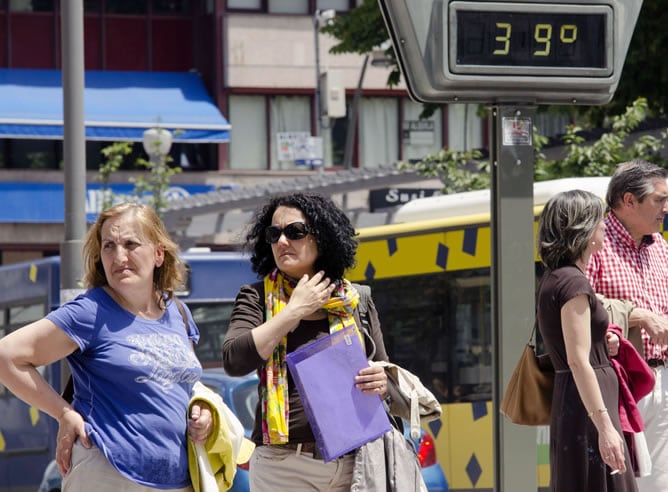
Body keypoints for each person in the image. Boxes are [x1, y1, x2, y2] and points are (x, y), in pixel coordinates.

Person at [0, 202, 212, 491]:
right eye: (109, 246)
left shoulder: (179, 314)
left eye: (130, 244)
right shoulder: (90, 311)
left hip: (178, 479)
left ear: (159, 254)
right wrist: (64, 413)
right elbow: (7, 357)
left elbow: (184, 387)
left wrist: (203, 412)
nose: (119, 256)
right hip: (107, 474)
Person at [222, 192, 393, 491]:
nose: (282, 241)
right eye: (274, 234)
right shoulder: (256, 297)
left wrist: (383, 382)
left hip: (356, 461)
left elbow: (385, 378)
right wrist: (294, 311)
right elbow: (235, 361)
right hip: (284, 467)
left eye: (295, 232)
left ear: (322, 237)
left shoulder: (357, 300)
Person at [537, 189, 637, 491]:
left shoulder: (559, 278)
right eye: (598, 219)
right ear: (580, 228)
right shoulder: (572, 281)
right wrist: (605, 426)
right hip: (587, 407)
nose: (604, 225)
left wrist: (600, 341)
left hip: (581, 401)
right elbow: (578, 360)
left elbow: (576, 348)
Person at [586, 160, 668, 491]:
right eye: (660, 199)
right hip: (619, 382)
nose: (666, 208)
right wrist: (639, 315)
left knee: (660, 483)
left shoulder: (661, 248)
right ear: (629, 201)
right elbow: (577, 304)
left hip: (661, 380)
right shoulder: (595, 244)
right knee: (620, 483)